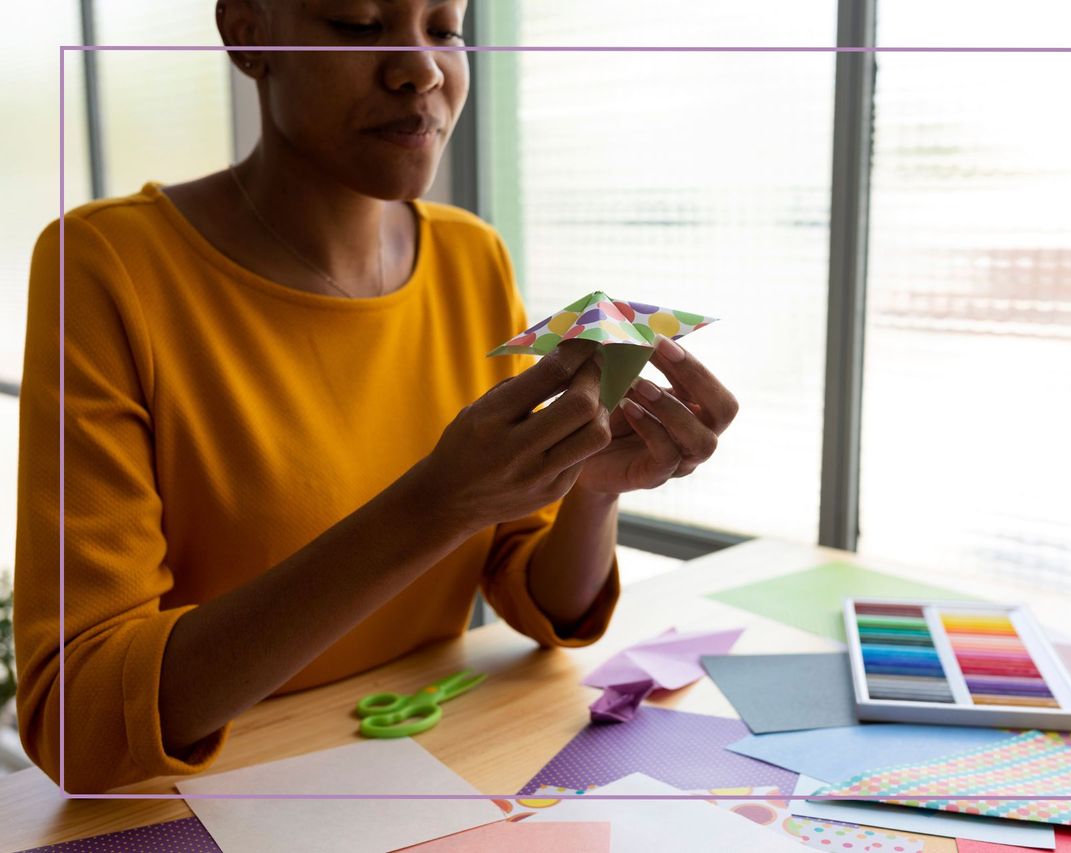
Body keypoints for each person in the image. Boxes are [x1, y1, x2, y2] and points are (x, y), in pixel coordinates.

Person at [14, 0, 737, 792]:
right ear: (248, 36)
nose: (421, 68)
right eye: (359, 24)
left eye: (445, 27)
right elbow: (76, 721)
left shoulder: (470, 255)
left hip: (422, 780)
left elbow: (539, 600)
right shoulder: (105, 266)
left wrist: (590, 485)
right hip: (202, 809)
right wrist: (434, 505)